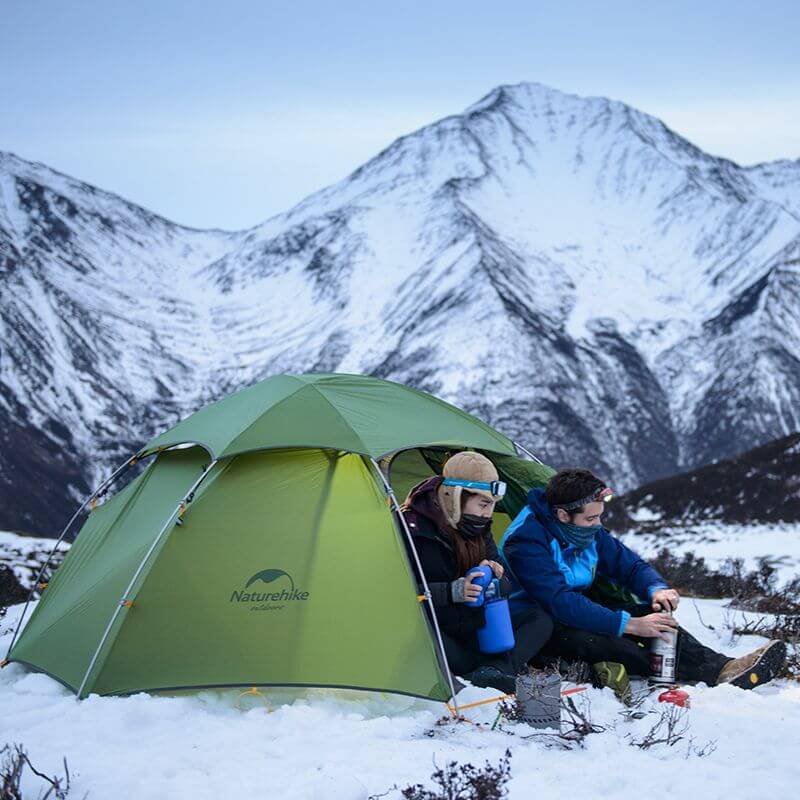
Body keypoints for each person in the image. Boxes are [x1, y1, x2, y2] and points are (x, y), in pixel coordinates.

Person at [499, 467, 787, 690]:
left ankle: (723, 667)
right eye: (591, 519)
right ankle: (689, 673)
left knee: (654, 616)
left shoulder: (584, 531)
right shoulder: (525, 540)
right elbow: (558, 602)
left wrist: (656, 588)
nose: (598, 525)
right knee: (622, 646)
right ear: (562, 515)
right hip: (536, 626)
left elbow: (629, 566)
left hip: (578, 610)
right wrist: (631, 625)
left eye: (600, 517)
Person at [401, 452, 553, 694]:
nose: (488, 514)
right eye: (483, 504)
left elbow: (504, 581)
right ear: (455, 497)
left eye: (492, 505)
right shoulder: (412, 529)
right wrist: (453, 592)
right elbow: (398, 596)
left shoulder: (478, 526)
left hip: (477, 625)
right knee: (430, 642)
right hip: (439, 630)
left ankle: (491, 672)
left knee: (540, 619)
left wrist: (496, 578)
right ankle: (494, 671)